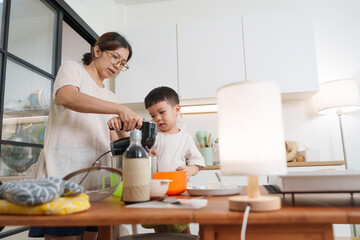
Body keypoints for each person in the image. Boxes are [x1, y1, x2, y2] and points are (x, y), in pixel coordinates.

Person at [29, 32, 142, 240]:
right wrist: (118, 109)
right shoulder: (73, 70)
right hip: (64, 176)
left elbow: (115, 141)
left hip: (97, 184)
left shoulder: (110, 96)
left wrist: (127, 132)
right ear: (97, 51)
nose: (117, 65)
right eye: (115, 57)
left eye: (123, 63)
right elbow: (67, 97)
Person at [146, 86, 207, 234]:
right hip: (157, 194)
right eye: (153, 115)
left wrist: (190, 170)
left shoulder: (185, 138)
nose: (157, 118)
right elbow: (144, 162)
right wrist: (149, 155)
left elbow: (198, 162)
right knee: (160, 230)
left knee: (182, 229)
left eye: (162, 112)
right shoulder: (153, 138)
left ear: (177, 109)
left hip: (180, 193)